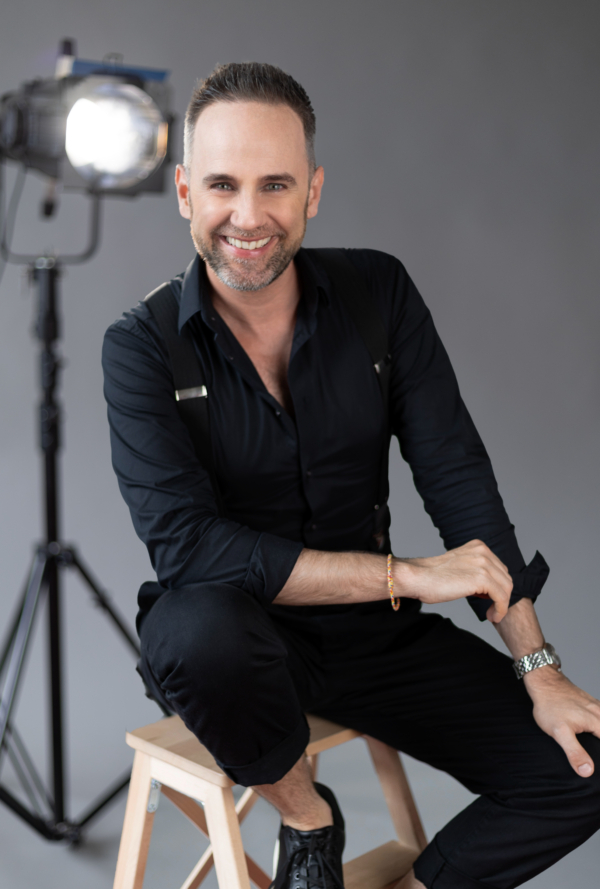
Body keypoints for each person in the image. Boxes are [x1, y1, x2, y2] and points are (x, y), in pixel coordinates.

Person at [102, 63, 600, 889]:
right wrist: (406, 574)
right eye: (223, 185)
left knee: (582, 772)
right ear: (185, 192)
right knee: (196, 633)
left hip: (375, 638)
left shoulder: (379, 293)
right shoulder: (141, 346)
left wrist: (538, 669)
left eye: (275, 185)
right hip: (237, 649)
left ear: (314, 191)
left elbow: (459, 478)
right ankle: (310, 821)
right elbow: (189, 549)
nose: (248, 216)